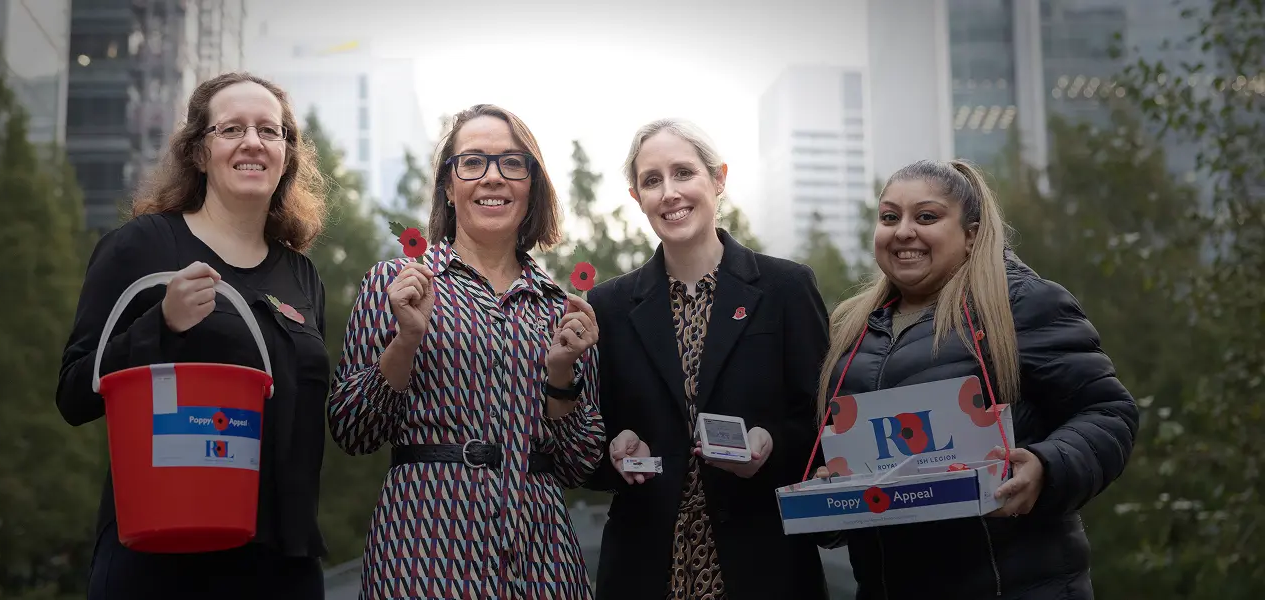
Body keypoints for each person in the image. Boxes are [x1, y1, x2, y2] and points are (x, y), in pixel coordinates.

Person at [56, 72, 331, 599]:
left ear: (287, 155)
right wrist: (160, 324)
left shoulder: (302, 276)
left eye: (270, 131)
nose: (253, 142)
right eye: (231, 129)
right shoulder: (142, 248)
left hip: (284, 566)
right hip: (166, 556)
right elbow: (73, 392)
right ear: (199, 153)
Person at [814, 159, 1139, 599]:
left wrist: (1047, 466)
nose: (903, 231)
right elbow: (842, 454)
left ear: (971, 234)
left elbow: (1108, 412)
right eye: (890, 217)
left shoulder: (1019, 303)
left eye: (926, 216)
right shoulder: (851, 329)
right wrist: (830, 492)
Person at [328, 104, 606, 598]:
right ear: (449, 187)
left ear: (532, 186)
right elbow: (352, 429)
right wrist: (406, 341)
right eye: (473, 162)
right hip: (423, 552)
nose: (493, 178)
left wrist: (561, 376)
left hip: (541, 557)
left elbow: (579, 463)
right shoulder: (395, 285)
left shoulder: (561, 311)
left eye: (511, 163)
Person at [582, 118, 831, 600]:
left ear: (718, 179)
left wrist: (771, 444)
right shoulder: (607, 306)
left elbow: (823, 422)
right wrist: (615, 447)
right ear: (637, 198)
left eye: (684, 173)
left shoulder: (786, 289)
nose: (669, 192)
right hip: (646, 569)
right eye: (652, 181)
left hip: (765, 565)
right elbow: (585, 450)